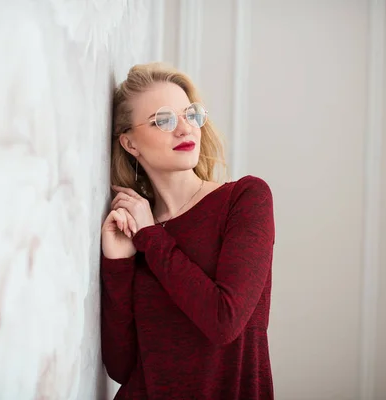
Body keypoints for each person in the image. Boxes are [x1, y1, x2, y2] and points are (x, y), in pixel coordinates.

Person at [100, 62, 275, 400]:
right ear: (130, 143)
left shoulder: (245, 199)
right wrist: (118, 265)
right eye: (163, 120)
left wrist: (152, 238)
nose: (184, 129)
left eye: (190, 114)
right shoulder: (133, 229)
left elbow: (224, 320)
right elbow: (122, 367)